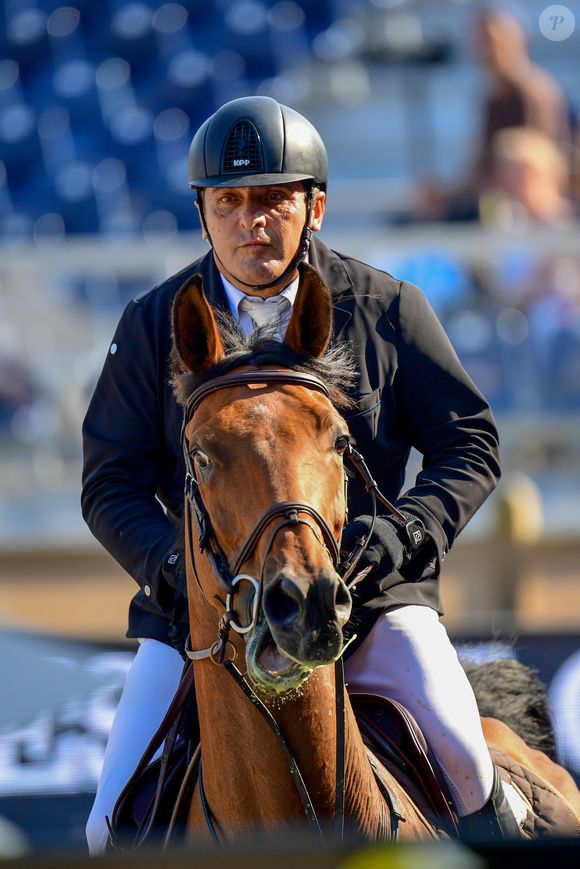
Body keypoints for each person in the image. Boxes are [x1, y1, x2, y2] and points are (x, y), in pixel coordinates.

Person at [82, 95, 515, 853]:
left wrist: (407, 529)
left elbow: (469, 442)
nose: (252, 221)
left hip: (366, 597)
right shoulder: (153, 325)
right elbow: (110, 479)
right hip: (203, 614)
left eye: (274, 199)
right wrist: (174, 564)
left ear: (315, 208)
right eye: (230, 202)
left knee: (465, 757)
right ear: (204, 212)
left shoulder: (388, 309)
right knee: (104, 823)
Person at [414, 2, 572, 222]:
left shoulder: (534, 92)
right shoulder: (493, 98)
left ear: (516, 39)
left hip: (531, 209)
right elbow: (482, 162)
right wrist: (448, 195)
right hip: (505, 201)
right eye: (481, 42)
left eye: (493, 40)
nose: (487, 51)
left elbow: (532, 167)